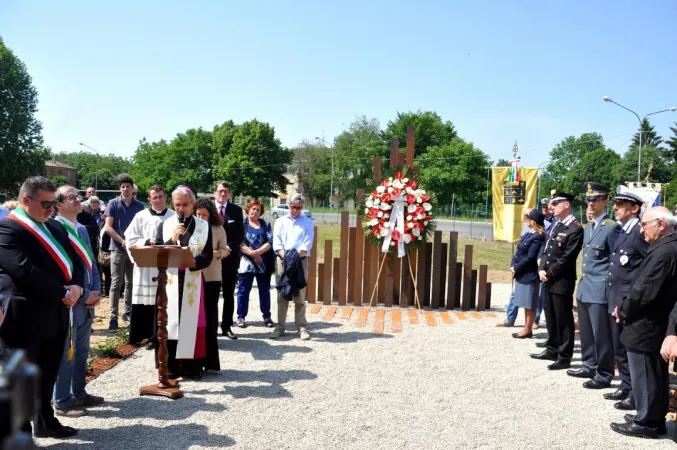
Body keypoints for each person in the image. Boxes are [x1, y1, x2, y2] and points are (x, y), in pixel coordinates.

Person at [0, 176, 84, 438]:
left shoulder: (55, 228)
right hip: (23, 316)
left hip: (56, 313)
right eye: (46, 204)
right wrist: (63, 292)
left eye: (53, 204)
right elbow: (24, 270)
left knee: (48, 372)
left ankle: (45, 421)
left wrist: (78, 287)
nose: (51, 209)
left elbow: (75, 261)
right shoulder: (8, 228)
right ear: (26, 200)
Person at [610, 207, 677, 439]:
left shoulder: (665, 250)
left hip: (648, 322)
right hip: (651, 320)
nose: (641, 229)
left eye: (644, 224)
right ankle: (651, 415)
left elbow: (645, 289)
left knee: (645, 373)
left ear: (660, 224)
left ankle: (647, 422)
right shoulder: (664, 246)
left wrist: (625, 309)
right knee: (651, 374)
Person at [52, 186, 104, 417]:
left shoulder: (81, 228)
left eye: (77, 195)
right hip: (71, 301)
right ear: (58, 204)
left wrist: (96, 290)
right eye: (70, 197)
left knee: (82, 351)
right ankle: (62, 400)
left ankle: (79, 393)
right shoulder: (54, 229)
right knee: (67, 352)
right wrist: (83, 294)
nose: (76, 199)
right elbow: (62, 271)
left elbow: (91, 262)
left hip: (87, 300)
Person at [156, 186, 213, 379]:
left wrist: (193, 263)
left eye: (185, 205)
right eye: (178, 204)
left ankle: (191, 367)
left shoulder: (203, 226)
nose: (181, 209)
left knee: (193, 323)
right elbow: (157, 250)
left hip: (192, 278)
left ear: (192, 204)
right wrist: (172, 239)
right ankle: (170, 366)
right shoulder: (166, 223)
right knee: (170, 322)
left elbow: (208, 255)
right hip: (170, 280)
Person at [566, 183, 619, 389]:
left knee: (601, 334)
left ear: (605, 201)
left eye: (594, 200)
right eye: (588, 200)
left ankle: (604, 373)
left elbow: (615, 261)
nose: (589, 204)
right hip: (585, 286)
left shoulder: (611, 228)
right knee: (586, 331)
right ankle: (589, 364)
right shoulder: (588, 228)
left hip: (600, 289)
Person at [604, 186, 647, 410]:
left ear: (635, 209)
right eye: (616, 204)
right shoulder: (623, 230)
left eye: (622, 205)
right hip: (616, 297)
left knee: (628, 346)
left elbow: (643, 269)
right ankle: (626, 384)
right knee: (619, 345)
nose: (616, 208)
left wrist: (628, 300)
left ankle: (634, 392)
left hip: (627, 300)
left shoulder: (639, 232)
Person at [530, 191, 584, 370]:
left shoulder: (575, 228)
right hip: (547, 277)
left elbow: (568, 258)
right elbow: (546, 249)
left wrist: (548, 273)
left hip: (561, 280)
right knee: (550, 315)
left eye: (556, 203)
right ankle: (552, 348)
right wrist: (540, 268)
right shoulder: (556, 225)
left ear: (566, 205)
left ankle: (564, 355)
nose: (551, 207)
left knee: (563, 318)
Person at [124, 185, 175, 347]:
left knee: (164, 300)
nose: (159, 200)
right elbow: (130, 237)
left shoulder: (174, 216)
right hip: (146, 267)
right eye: (155, 197)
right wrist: (147, 241)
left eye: (161, 196)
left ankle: (161, 335)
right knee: (146, 300)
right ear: (149, 199)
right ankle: (144, 335)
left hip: (167, 266)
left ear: (165, 197)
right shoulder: (141, 216)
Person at [104, 173, 144, 332]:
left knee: (131, 283)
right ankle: (112, 318)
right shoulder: (113, 203)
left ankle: (127, 314)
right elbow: (108, 227)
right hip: (118, 249)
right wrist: (122, 241)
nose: (125, 189)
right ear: (119, 188)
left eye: (128, 186)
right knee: (115, 283)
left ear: (132, 188)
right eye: (123, 187)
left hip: (134, 249)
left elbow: (142, 227)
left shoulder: (139, 205)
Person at [272, 193, 314, 340]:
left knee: (300, 296)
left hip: (300, 261)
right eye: (293, 206)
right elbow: (277, 243)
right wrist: (287, 257)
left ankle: (302, 327)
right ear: (289, 205)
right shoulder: (280, 221)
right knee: (282, 294)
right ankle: (280, 327)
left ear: (302, 207)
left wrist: (294, 258)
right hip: (282, 260)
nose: (295, 210)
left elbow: (307, 243)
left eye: (298, 207)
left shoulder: (308, 222)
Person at [193, 198, 228, 372]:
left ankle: (211, 361)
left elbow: (226, 249)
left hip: (211, 277)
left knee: (210, 318)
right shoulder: (191, 228)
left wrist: (215, 253)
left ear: (211, 215)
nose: (201, 217)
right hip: (192, 278)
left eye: (204, 215)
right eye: (198, 214)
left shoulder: (218, 228)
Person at [236, 200, 275, 329]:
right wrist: (252, 253)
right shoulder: (242, 224)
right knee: (243, 291)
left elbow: (270, 241)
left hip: (262, 263)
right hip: (246, 263)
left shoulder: (265, 224)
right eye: (253, 209)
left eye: (258, 210)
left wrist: (258, 252)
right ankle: (241, 316)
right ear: (248, 209)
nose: (255, 211)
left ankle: (267, 316)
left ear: (261, 212)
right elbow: (239, 242)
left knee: (264, 290)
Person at [213, 181, 244, 340]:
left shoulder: (236, 210)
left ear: (229, 194)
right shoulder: (207, 210)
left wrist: (228, 249)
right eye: (220, 191)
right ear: (214, 193)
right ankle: (211, 327)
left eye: (226, 191)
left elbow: (240, 234)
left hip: (230, 258)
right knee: (211, 294)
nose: (223, 194)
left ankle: (226, 326)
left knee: (228, 294)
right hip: (211, 259)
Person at [510, 209, 545, 339]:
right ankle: (526, 327)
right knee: (525, 302)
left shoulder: (538, 236)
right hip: (522, 272)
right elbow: (519, 251)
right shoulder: (528, 234)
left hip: (529, 273)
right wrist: (513, 264)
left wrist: (517, 267)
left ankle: (528, 329)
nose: (525, 220)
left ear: (533, 221)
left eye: (527, 218)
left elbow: (530, 257)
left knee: (530, 303)